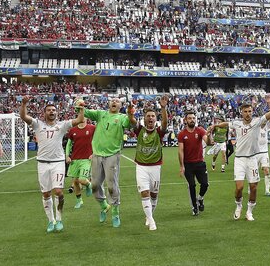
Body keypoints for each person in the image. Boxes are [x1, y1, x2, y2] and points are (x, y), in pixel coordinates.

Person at [212, 94, 270, 221]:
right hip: (239, 159)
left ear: (252, 111)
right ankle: (238, 205)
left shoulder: (257, 121)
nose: (248, 113)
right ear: (241, 113)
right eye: (245, 111)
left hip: (252, 159)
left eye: (250, 111)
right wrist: (215, 126)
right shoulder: (237, 123)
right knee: (239, 187)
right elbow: (226, 124)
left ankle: (249, 211)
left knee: (254, 187)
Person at [19, 97, 85, 233]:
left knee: (59, 192)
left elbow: (79, 120)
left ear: (57, 113)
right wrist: (24, 104)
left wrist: (81, 108)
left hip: (58, 163)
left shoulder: (62, 125)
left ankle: (59, 219)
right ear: (44, 113)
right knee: (45, 194)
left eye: (53, 110)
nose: (51, 112)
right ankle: (51, 221)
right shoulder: (38, 124)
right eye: (49, 110)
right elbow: (24, 116)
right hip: (42, 163)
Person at [83, 96, 136, 227]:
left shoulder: (122, 117)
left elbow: (132, 123)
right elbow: (84, 112)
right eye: (112, 100)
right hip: (96, 154)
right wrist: (79, 103)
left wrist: (130, 113)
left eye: (117, 101)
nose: (114, 102)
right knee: (94, 185)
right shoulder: (101, 114)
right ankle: (103, 205)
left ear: (120, 106)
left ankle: (115, 212)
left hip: (112, 155)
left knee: (112, 186)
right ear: (108, 103)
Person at [132, 96, 169, 231]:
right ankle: (152, 221)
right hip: (141, 167)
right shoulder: (139, 130)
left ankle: (149, 216)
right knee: (145, 192)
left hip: (155, 167)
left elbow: (165, 123)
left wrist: (163, 108)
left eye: (153, 116)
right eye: (148, 116)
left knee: (154, 195)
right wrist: (130, 112)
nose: (151, 118)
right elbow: (132, 121)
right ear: (144, 118)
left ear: (156, 118)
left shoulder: (159, 132)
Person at [178, 110, 209, 216]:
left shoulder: (200, 130)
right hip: (188, 164)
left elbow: (207, 140)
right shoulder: (182, 134)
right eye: (190, 118)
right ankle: (194, 207)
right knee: (192, 185)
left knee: (205, 184)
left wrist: (209, 136)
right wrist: (182, 166)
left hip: (200, 163)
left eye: (193, 118)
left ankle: (200, 198)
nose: (192, 120)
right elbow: (180, 150)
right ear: (185, 120)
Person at [65, 108, 96, 209]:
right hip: (74, 159)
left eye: (83, 114)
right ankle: (79, 200)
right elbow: (69, 144)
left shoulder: (92, 128)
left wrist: (94, 153)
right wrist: (67, 155)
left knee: (82, 180)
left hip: (87, 158)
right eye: (80, 114)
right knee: (75, 182)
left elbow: (97, 141)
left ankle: (89, 185)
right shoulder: (72, 130)